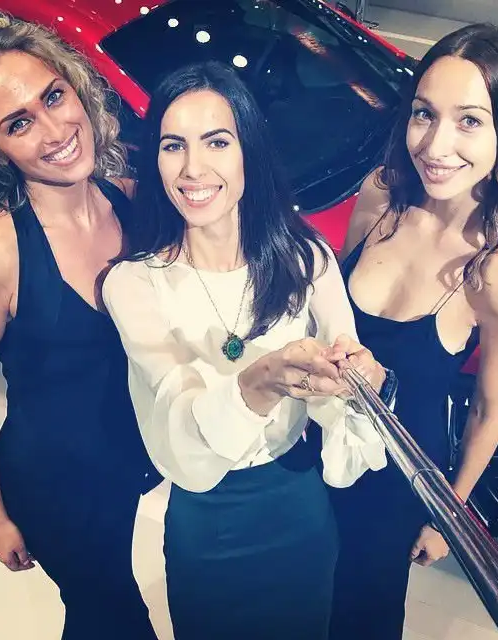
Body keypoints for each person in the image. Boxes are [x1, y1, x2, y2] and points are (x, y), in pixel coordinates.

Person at [102, 61, 394, 640]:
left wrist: (362, 382)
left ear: (248, 153)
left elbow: (351, 376)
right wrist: (260, 381)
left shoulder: (305, 257)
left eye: (217, 141)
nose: (193, 168)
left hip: (299, 504)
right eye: (172, 145)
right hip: (210, 521)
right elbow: (181, 423)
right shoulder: (134, 284)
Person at [0, 13, 159, 640]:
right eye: (19, 123)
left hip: (123, 470)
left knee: (99, 612)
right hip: (53, 489)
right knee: (116, 619)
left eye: (53, 97)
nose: (55, 130)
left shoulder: (125, 200)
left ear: (77, 88)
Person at [327, 23, 498, 639]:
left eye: (469, 121)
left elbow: (489, 410)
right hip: (312, 444)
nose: (435, 145)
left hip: (391, 483)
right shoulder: (381, 195)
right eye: (424, 114)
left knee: (358, 618)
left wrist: (450, 513)